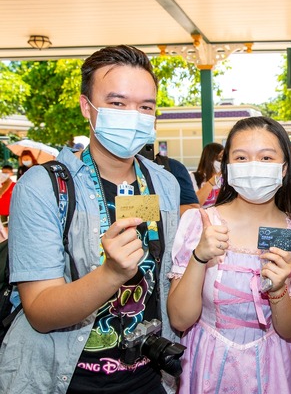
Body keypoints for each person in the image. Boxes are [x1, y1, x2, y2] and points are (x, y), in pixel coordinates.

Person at [0, 45, 181, 394]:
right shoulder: (44, 186)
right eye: (117, 103)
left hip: (147, 376)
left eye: (146, 107)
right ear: (88, 107)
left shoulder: (163, 183)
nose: (134, 115)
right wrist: (111, 274)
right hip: (62, 377)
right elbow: (39, 310)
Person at [167, 116, 291, 393]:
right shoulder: (200, 223)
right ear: (228, 168)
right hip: (207, 365)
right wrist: (199, 258)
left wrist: (279, 287)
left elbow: (290, 329)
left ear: (284, 169)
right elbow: (180, 320)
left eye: (266, 157)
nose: (254, 167)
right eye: (241, 157)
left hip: (272, 370)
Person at [190, 142, 224, 208]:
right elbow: (196, 204)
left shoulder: (225, 178)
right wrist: (212, 181)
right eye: (219, 159)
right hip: (203, 216)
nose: (222, 162)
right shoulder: (195, 177)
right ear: (210, 159)